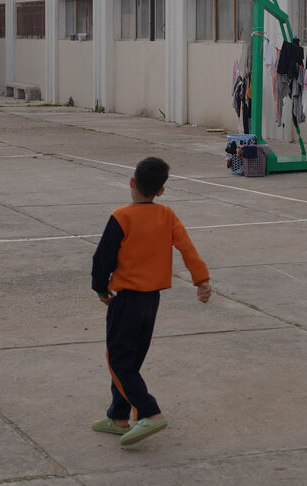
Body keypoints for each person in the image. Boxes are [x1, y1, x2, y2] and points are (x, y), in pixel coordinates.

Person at [91, 156, 211, 447]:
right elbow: (187, 248)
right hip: (151, 302)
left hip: (126, 301)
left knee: (119, 361)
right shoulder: (167, 214)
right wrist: (201, 280)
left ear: (132, 182)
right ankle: (118, 417)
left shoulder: (121, 216)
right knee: (131, 360)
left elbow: (102, 258)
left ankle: (149, 412)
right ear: (161, 191)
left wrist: (100, 289)